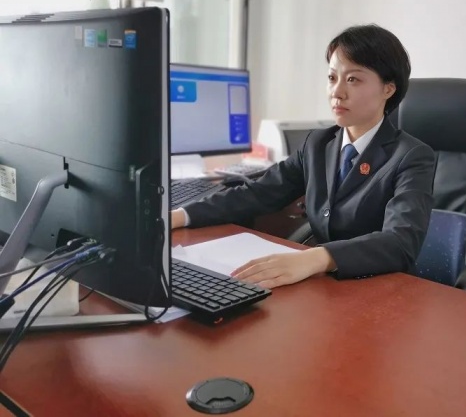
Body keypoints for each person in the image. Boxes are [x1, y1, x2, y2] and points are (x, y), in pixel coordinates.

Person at [171, 24, 435, 289]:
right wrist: (180, 216)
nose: (337, 92)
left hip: (379, 287)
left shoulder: (411, 156)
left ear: (388, 89)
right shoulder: (318, 144)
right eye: (332, 77)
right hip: (322, 285)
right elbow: (258, 193)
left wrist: (318, 258)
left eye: (353, 79)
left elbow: (401, 242)